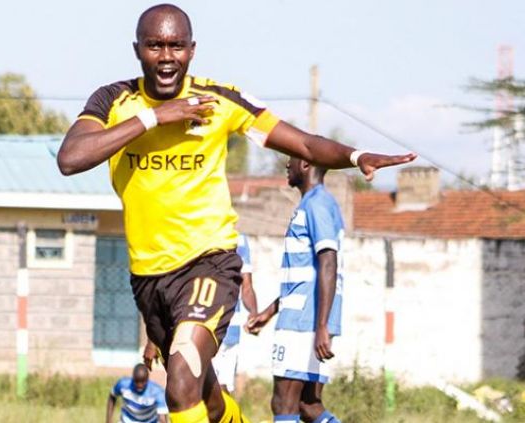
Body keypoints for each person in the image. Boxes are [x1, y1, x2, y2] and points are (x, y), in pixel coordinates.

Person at [57, 4, 416, 422]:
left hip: (208, 265)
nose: (167, 56)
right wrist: (154, 117)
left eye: (176, 46)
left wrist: (355, 155)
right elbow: (71, 158)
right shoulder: (113, 100)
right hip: (148, 279)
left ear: (192, 50)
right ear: (138, 49)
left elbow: (302, 145)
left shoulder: (219, 100)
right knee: (206, 397)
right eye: (155, 46)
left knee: (180, 382)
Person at [246, 157, 344, 423]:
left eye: (290, 160)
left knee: (283, 402)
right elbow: (308, 273)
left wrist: (321, 325)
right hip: (307, 316)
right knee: (307, 405)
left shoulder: (317, 204)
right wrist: (269, 311)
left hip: (305, 321)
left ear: (304, 164)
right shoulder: (314, 203)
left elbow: (328, 262)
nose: (286, 166)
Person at [212, 233, 257, 393]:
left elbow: (246, 286)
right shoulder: (198, 232)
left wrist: (253, 313)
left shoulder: (239, 240)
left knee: (224, 391)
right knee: (207, 392)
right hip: (204, 327)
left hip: (231, 329)